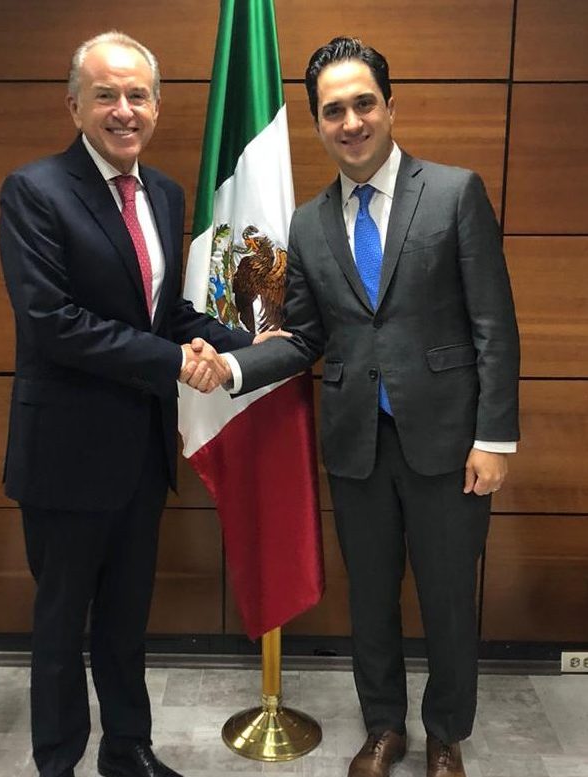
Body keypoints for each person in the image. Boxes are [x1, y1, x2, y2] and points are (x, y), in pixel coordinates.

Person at [223, 37, 520, 777]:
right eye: (333, 111)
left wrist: (494, 438)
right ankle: (383, 726)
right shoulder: (308, 223)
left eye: (363, 104)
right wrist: (231, 366)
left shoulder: (453, 192)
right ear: (317, 123)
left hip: (448, 443)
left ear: (390, 107)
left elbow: (493, 323)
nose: (350, 122)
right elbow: (303, 339)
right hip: (356, 441)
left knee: (448, 599)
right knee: (371, 600)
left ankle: (445, 733)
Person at [0, 30, 254, 777]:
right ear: (74, 105)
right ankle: (57, 763)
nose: (123, 110)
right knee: (60, 628)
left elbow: (162, 314)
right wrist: (175, 361)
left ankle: (127, 749)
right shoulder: (34, 191)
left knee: (124, 619)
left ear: (157, 106)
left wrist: (242, 342)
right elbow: (51, 323)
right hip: (64, 456)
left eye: (137, 95)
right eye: (105, 94)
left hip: (139, 453)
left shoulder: (164, 194)